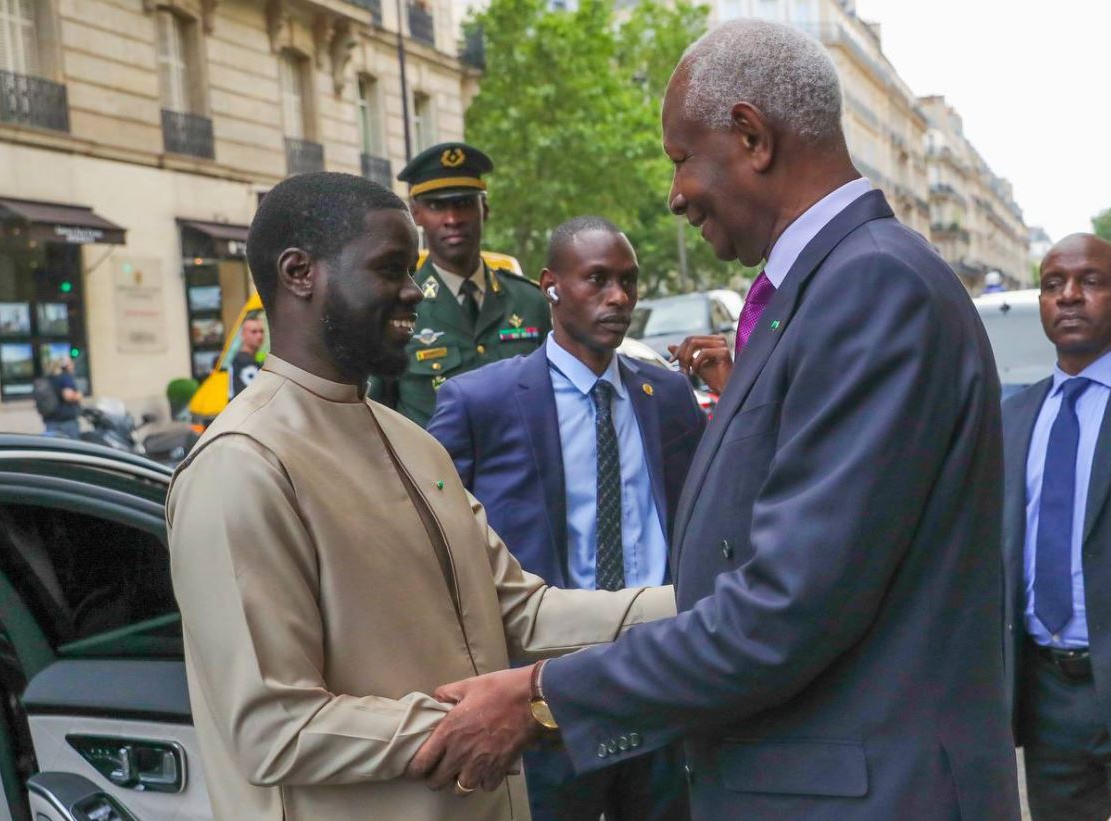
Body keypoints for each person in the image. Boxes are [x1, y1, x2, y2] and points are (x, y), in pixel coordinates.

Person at [407, 20, 1020, 820]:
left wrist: (539, 695)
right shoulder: (828, 287)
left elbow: (784, 607)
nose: (673, 194)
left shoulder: (870, 289)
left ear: (751, 136)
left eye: (679, 159)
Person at [165, 172, 675, 821]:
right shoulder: (240, 467)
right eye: (389, 269)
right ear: (299, 273)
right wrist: (503, 714)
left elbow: (524, 615)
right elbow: (274, 728)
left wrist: (707, 600)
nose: (413, 290)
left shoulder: (412, 443)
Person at [428, 217, 704, 821]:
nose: (619, 298)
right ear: (551, 286)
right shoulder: (482, 403)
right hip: (544, 689)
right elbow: (431, 534)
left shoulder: (669, 397)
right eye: (598, 280)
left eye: (627, 282)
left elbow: (708, 518)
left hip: (658, 677)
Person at [1000, 233, 1111, 819]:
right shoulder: (1014, 418)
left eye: (1090, 281)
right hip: (1045, 702)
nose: (1069, 296)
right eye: (1052, 284)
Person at [369, 142, 552, 427]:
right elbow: (376, 414)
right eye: (436, 206)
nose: (452, 219)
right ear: (416, 214)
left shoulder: (530, 302)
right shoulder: (394, 307)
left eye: (464, 204)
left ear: (485, 209)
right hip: (437, 470)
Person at [39, 357, 82, 438]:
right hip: (67, 422)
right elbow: (68, 396)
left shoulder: (46, 379)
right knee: (73, 448)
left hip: (50, 421)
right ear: (66, 366)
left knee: (53, 448)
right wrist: (79, 395)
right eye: (71, 363)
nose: (73, 366)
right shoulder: (65, 377)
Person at [228, 314, 265, 399]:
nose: (259, 336)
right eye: (254, 332)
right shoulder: (245, 362)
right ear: (243, 335)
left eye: (261, 331)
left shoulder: (238, 359)